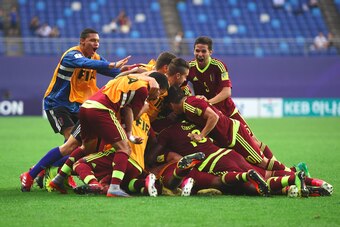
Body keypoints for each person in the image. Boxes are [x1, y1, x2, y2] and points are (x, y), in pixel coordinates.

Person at [20, 28, 131, 192]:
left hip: (79, 105)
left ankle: (44, 170)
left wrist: (133, 71)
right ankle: (37, 174)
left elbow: (114, 72)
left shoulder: (95, 57)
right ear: (82, 42)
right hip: (57, 104)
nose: (96, 44)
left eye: (98, 41)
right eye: (93, 41)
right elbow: (85, 63)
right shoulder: (72, 55)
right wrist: (112, 64)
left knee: (80, 146)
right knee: (71, 144)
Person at [49, 72, 169, 197]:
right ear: (157, 86)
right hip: (102, 110)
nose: (157, 96)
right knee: (124, 148)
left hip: (87, 107)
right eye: (160, 93)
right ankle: (114, 188)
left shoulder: (130, 79)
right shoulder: (143, 91)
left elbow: (127, 107)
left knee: (86, 148)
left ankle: (58, 179)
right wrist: (144, 108)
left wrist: (129, 134)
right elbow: (133, 114)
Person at [185, 36, 296, 167]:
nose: (200, 54)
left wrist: (207, 102)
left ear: (210, 52)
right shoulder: (190, 67)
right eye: (197, 51)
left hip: (228, 111)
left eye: (203, 51)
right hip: (210, 115)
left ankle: (279, 166)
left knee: (253, 141)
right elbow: (182, 86)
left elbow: (226, 92)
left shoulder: (218, 66)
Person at [166, 85, 291, 172]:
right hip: (227, 137)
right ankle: (290, 174)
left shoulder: (189, 105)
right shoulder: (190, 105)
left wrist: (201, 135)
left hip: (234, 134)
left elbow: (213, 117)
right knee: (256, 162)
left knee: (262, 162)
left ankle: (292, 174)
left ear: (172, 103)